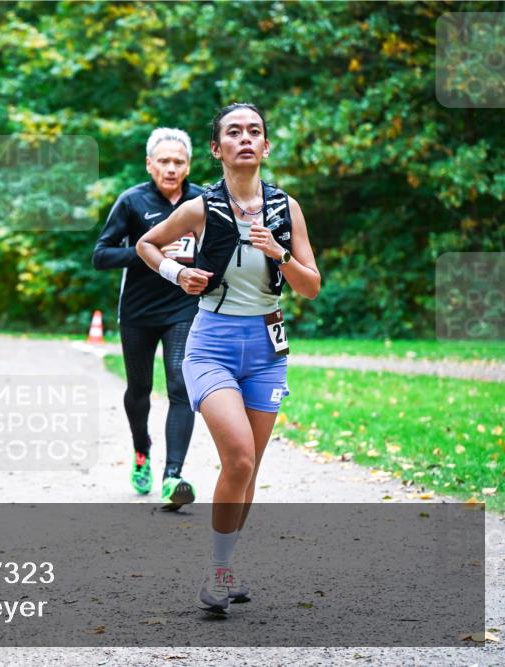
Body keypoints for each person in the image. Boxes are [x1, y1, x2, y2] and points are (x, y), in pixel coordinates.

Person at [136, 103, 321, 615]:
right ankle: (216, 575)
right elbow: (146, 245)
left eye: (255, 132)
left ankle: (225, 566)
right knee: (238, 456)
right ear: (217, 149)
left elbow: (311, 287)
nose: (246, 139)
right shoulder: (201, 207)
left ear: (266, 147)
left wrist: (279, 253)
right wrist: (177, 275)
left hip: (267, 350)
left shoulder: (286, 210)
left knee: (248, 468)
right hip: (212, 344)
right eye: (233, 132)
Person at [93, 128, 204, 510]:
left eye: (179, 161)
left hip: (183, 308)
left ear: (188, 165)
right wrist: (146, 252)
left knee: (180, 385)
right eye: (164, 161)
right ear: (149, 164)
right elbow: (101, 255)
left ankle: (173, 476)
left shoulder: (202, 200)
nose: (171, 168)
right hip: (138, 311)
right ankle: (142, 451)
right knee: (139, 392)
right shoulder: (132, 201)